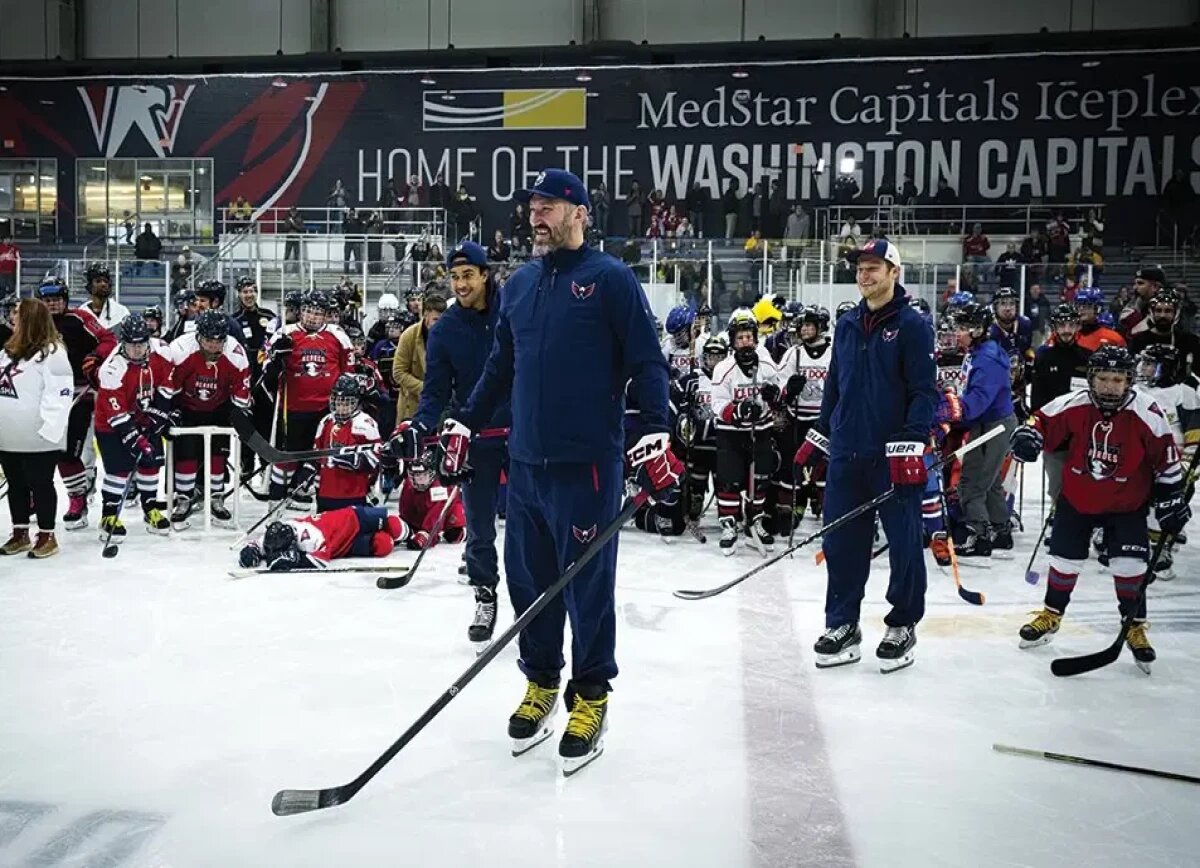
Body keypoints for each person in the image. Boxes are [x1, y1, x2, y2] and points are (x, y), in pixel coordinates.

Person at [433, 168, 675, 775]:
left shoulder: (611, 279)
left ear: (580, 213)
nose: (537, 216)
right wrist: (465, 420)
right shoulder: (517, 285)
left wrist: (655, 429)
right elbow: (500, 367)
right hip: (525, 464)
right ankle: (541, 682)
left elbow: (647, 363)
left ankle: (590, 696)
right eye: (533, 206)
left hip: (587, 466)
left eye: (549, 206)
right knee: (530, 587)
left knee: (588, 589)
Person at [793, 239, 937, 673]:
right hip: (847, 453)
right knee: (840, 544)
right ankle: (843, 623)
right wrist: (820, 433)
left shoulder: (913, 326)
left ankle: (902, 622)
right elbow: (836, 387)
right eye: (860, 268)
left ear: (894, 271)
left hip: (893, 455)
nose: (864, 275)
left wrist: (913, 439)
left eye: (874, 267)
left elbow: (923, 391)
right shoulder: (849, 324)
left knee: (904, 544)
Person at [1009, 346, 1188, 673]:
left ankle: (1133, 625)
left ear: (1129, 381)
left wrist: (1172, 498)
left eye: (1117, 379)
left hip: (1127, 503)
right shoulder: (1075, 403)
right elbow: (1039, 421)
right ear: (1091, 378)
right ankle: (1052, 613)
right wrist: (1027, 435)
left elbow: (1167, 460)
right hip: (1079, 498)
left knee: (1130, 566)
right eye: (1103, 378)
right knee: (1064, 560)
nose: (1109, 386)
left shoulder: (1147, 411)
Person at [396, 241, 510, 644]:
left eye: (468, 276)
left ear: (485, 275)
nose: (460, 285)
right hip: (475, 438)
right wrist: (417, 425)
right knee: (479, 528)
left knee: (535, 522)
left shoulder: (511, 311)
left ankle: (537, 594)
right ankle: (485, 593)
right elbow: (435, 393)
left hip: (523, 435)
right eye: (455, 277)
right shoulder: (443, 330)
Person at [934, 302, 1017, 557]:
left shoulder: (987, 358)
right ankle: (1001, 531)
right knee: (990, 483)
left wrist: (949, 409)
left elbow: (978, 401)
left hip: (994, 425)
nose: (956, 332)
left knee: (972, 482)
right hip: (988, 422)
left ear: (978, 329)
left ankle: (979, 535)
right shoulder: (978, 350)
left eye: (962, 327)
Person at [36, 277, 117, 531]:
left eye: (57, 299)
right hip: (44, 396)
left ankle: (77, 499)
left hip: (79, 394)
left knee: (68, 451)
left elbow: (108, 340)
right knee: (38, 451)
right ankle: (32, 497)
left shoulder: (80, 318)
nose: (52, 304)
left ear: (66, 299)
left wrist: (96, 356)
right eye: (48, 300)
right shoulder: (35, 324)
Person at [261, 289, 353, 507]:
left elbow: (348, 371)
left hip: (328, 409)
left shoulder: (338, 335)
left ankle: (301, 489)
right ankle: (277, 492)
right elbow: (266, 372)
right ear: (301, 311)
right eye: (308, 311)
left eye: (317, 312)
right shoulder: (285, 333)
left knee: (319, 453)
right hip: (293, 406)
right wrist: (276, 358)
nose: (312, 317)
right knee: (290, 452)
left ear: (325, 314)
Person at [163, 310, 251, 528]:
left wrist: (240, 413)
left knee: (218, 452)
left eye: (218, 341)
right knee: (187, 452)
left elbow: (242, 389)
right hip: (187, 407)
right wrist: (167, 412)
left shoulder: (236, 353)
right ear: (198, 336)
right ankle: (183, 497)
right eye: (208, 341)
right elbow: (167, 388)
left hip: (220, 407)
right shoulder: (180, 349)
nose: (213, 347)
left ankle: (216, 496)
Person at [0, 298, 74, 558]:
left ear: (31, 318)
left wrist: (49, 430)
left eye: (18, 313)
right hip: (8, 435)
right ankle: (20, 532)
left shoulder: (53, 353)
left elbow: (61, 394)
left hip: (38, 436)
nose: (13, 316)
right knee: (17, 484)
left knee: (40, 484)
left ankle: (46, 535)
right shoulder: (8, 351)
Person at [93, 315, 175, 541]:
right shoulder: (111, 368)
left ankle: (150, 509)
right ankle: (108, 515)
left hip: (144, 417)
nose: (137, 349)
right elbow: (116, 414)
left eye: (141, 343)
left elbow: (167, 387)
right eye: (132, 345)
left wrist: (157, 418)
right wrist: (135, 439)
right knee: (119, 469)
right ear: (123, 343)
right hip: (110, 424)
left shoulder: (163, 351)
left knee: (151, 463)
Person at [776, 305, 833, 525]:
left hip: (823, 421)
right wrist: (789, 390)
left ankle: (827, 507)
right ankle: (795, 505)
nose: (805, 329)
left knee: (824, 467)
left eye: (810, 325)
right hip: (797, 419)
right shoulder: (794, 353)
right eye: (803, 325)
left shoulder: (833, 353)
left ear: (820, 327)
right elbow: (780, 382)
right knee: (795, 464)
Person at [238, 507, 412, 572]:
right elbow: (259, 544)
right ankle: (396, 541)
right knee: (384, 545)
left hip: (354, 517)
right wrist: (250, 551)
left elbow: (321, 561)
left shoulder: (310, 536)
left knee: (395, 527)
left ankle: (413, 534)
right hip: (344, 546)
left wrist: (295, 560)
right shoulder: (279, 532)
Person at [313, 373, 380, 512]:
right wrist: (309, 470)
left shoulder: (366, 423)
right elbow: (317, 454)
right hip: (325, 494)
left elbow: (376, 458)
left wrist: (352, 460)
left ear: (356, 402)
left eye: (347, 402)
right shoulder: (326, 422)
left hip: (354, 494)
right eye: (339, 402)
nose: (342, 407)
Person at [396, 450, 467, 550]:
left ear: (432, 473)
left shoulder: (439, 487)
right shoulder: (409, 484)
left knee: (454, 535)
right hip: (422, 513)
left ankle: (466, 530)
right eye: (416, 475)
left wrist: (427, 534)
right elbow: (405, 509)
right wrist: (404, 527)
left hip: (447, 512)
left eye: (423, 475)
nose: (419, 479)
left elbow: (437, 514)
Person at [393, 294, 445, 420]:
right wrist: (424, 388)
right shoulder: (408, 336)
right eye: (436, 320)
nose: (441, 324)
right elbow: (398, 372)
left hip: (442, 407)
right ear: (425, 315)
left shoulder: (449, 335)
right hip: (413, 407)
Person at [1128, 287, 1200, 377]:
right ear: (1151, 313)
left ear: (1176, 313)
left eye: (1168, 311)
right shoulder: (1138, 341)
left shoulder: (1191, 342)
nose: (1162, 315)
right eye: (1158, 310)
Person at [1073, 287, 1125, 352]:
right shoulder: (1070, 336)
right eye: (1078, 305)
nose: (1081, 309)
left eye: (1086, 305)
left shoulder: (1113, 338)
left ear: (1097, 308)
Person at [82, 262, 130, 329]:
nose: (103, 284)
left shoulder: (122, 312)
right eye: (98, 281)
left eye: (106, 281)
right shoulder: (81, 313)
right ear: (90, 286)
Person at [0, 231, 20, 298]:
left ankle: (11, 300)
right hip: (1, 271)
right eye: (6, 239)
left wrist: (12, 258)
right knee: (2, 287)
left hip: (11, 271)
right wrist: (4, 257)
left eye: (9, 239)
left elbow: (18, 258)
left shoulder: (14, 248)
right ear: (3, 240)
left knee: (12, 287)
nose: (7, 240)